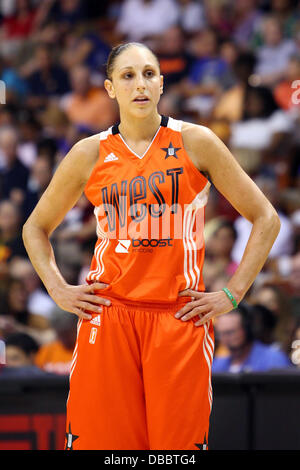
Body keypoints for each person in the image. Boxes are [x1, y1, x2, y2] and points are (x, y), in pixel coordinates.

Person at [22, 42, 281, 450]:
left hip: (178, 317)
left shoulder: (197, 141)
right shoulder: (88, 153)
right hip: (109, 315)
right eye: (127, 76)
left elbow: (266, 217)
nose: (139, 84)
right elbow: (35, 227)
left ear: (161, 83)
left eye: (148, 74)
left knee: (175, 453)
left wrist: (234, 293)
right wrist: (57, 288)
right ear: (110, 88)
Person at [212, 304, 291, 373]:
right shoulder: (217, 365)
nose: (224, 338)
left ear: (248, 329)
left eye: (230, 332)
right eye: (220, 334)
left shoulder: (273, 359)